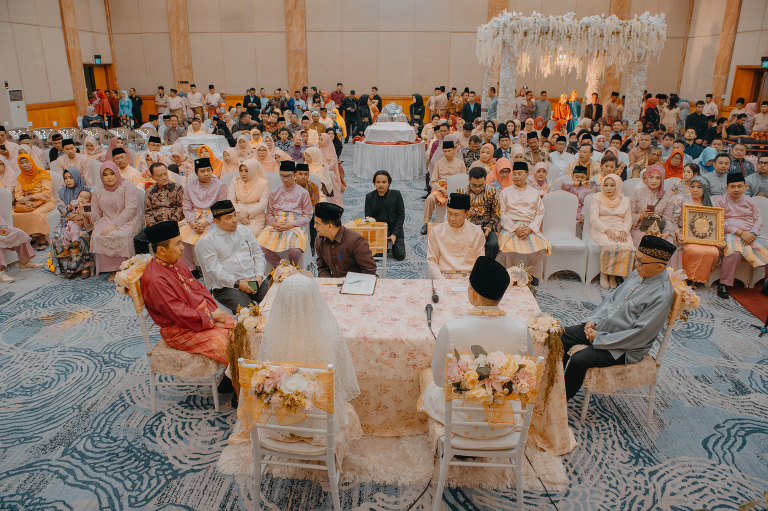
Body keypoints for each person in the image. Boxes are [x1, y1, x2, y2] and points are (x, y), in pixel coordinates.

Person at [417, 255, 530, 438]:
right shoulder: (522, 331)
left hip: (459, 421)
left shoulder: (451, 329)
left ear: (473, 292)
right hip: (505, 421)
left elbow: (439, 380)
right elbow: (525, 376)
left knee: (426, 375)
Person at [255, 272, 362, 454]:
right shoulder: (328, 336)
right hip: (319, 422)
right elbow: (340, 381)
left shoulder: (273, 336)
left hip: (281, 419)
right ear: (314, 299)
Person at [561, 235, 676, 400]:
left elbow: (640, 335)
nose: (636, 264)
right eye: (637, 259)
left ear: (659, 267)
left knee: (579, 360)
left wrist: (599, 338)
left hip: (624, 346)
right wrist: (594, 320)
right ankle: (554, 387)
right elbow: (611, 300)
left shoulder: (662, 295)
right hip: (603, 327)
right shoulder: (638, 274)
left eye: (641, 262)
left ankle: (560, 401)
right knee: (561, 336)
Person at [141, 220, 232, 369]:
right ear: (162, 251)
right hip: (179, 330)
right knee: (229, 344)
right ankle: (237, 378)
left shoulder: (175, 263)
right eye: (177, 244)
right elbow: (179, 314)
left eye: (181, 242)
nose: (182, 248)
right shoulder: (156, 281)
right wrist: (211, 318)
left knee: (242, 330)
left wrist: (212, 313)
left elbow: (200, 290)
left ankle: (234, 376)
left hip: (198, 317)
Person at [195, 199, 269, 312]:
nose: (234, 220)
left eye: (235, 215)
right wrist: (238, 283)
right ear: (217, 222)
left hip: (254, 280)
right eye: (228, 218)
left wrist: (259, 276)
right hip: (228, 287)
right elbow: (214, 271)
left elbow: (258, 255)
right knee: (249, 312)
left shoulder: (245, 231)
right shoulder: (209, 242)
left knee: (275, 301)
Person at [714, 173, 768, 299]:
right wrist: (740, 232)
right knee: (734, 252)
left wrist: (752, 233)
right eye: (732, 187)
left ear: (745, 187)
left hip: (750, 234)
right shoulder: (719, 201)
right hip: (730, 233)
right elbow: (719, 221)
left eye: (739, 186)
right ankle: (724, 284)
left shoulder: (750, 201)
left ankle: (767, 283)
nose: (736, 189)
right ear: (727, 188)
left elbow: (758, 219)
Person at [498, 161, 550, 283]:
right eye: (514, 174)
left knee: (540, 246)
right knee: (508, 246)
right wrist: (514, 228)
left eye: (520, 173)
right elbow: (502, 213)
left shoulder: (534, 193)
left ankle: (533, 276)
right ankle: (509, 275)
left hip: (529, 226)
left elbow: (540, 212)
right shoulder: (505, 192)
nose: (516, 176)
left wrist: (530, 228)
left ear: (527, 175)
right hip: (511, 226)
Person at [90, 161, 143, 280]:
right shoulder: (97, 190)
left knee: (122, 235)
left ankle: (125, 267)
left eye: (112, 173)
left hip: (129, 219)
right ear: (101, 176)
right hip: (107, 219)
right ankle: (111, 268)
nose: (109, 177)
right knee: (98, 234)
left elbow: (131, 209)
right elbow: (96, 212)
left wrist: (114, 225)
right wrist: (89, 218)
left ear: (117, 173)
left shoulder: (127, 186)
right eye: (105, 175)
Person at [257, 160, 313, 267]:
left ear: (294, 175)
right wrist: (274, 223)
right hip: (277, 224)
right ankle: (281, 267)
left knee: (295, 250)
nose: (285, 179)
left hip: (295, 224)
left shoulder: (303, 193)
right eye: (282, 176)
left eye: (289, 176)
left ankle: (292, 268)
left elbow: (308, 215)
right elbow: (268, 213)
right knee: (259, 246)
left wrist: (291, 224)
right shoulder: (274, 192)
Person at [670, 176, 719, 286]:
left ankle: (699, 279)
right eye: (692, 187)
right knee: (692, 250)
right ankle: (687, 278)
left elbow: (715, 224)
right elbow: (673, 220)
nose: (695, 190)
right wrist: (677, 234)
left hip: (706, 237)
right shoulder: (681, 200)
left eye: (699, 187)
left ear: (705, 189)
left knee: (713, 252)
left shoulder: (711, 203)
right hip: (685, 235)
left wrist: (717, 238)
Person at [590, 174, 634, 289]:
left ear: (618, 186)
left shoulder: (625, 200)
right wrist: (606, 230)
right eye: (606, 185)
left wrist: (624, 231)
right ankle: (604, 274)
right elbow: (593, 219)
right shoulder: (597, 198)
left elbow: (628, 218)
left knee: (627, 245)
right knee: (609, 244)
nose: (608, 188)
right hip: (601, 227)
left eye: (612, 185)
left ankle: (613, 274)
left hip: (620, 227)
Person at [426, 193, 485, 279]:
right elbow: (432, 261)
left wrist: (472, 281)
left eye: (456, 215)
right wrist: (441, 281)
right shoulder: (436, 232)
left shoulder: (477, 232)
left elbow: (480, 261)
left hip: (469, 277)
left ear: (467, 214)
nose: (452, 218)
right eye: (449, 213)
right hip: (443, 276)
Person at [313, 202, 376, 278]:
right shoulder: (319, 240)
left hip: (357, 283)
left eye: (317, 223)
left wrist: (351, 284)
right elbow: (322, 268)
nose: (314, 226)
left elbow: (370, 270)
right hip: (334, 283)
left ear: (330, 226)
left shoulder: (356, 241)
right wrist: (330, 282)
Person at [51, 168, 93, 278]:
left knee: (81, 235)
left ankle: (85, 266)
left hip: (83, 220)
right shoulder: (61, 193)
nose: (68, 180)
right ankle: (67, 268)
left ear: (77, 177)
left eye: (71, 177)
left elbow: (92, 208)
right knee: (57, 236)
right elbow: (63, 212)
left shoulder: (87, 191)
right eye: (65, 178)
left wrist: (81, 210)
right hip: (66, 221)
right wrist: (70, 208)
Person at [134, 162, 185, 254]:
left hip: (173, 224)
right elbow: (148, 211)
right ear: (153, 177)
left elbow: (180, 207)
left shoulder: (177, 188)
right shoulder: (150, 191)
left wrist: (172, 221)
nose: (164, 177)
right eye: (160, 175)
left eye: (165, 174)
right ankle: (146, 261)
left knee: (165, 241)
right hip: (156, 225)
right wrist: (152, 224)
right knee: (139, 239)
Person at [455, 166, 501, 259]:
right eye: (474, 185)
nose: (477, 188)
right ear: (469, 180)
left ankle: (483, 265)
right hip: (466, 227)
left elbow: (496, 214)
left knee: (493, 244)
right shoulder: (461, 192)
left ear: (485, 180)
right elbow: (458, 214)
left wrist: (488, 229)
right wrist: (467, 228)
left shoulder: (492, 192)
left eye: (480, 185)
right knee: (461, 243)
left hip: (486, 226)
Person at [179, 158, 228, 246]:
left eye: (208, 170)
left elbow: (220, 208)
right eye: (202, 171)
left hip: (214, 217)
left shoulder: (221, 186)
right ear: (197, 173)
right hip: (193, 217)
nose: (206, 174)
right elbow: (187, 208)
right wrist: (192, 223)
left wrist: (205, 223)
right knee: (181, 236)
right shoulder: (189, 186)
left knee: (208, 240)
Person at [421, 140, 466, 235]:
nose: (447, 153)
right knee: (429, 199)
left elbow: (463, 180)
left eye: (449, 151)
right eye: (445, 151)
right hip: (440, 188)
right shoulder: (438, 163)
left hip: (455, 189)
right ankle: (426, 223)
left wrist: (453, 190)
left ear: (454, 150)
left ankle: (460, 223)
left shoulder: (460, 164)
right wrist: (443, 190)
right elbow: (433, 181)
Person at [12, 154, 55, 250]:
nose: (24, 165)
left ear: (31, 162)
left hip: (46, 201)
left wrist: (31, 197)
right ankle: (28, 236)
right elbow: (18, 195)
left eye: (26, 162)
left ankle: (42, 238)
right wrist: (25, 201)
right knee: (14, 214)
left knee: (37, 213)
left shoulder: (43, 174)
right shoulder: (20, 177)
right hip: (27, 202)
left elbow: (47, 194)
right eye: (21, 163)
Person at [364, 170, 405, 261]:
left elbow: (401, 216)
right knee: (375, 256)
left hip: (394, 231)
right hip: (378, 232)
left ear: (389, 183)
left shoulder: (396, 195)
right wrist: (379, 236)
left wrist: (394, 235)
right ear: (374, 183)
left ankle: (389, 245)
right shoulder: (369, 197)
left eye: (384, 182)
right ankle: (387, 246)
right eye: (378, 182)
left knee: (400, 255)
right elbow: (368, 218)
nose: (381, 185)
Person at [630, 164, 675, 245]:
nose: (654, 181)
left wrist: (667, 232)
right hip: (640, 229)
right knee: (644, 242)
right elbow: (629, 215)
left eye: (658, 178)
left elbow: (667, 219)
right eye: (651, 177)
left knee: (668, 243)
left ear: (662, 179)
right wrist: (641, 216)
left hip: (659, 230)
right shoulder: (637, 193)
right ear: (647, 178)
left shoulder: (667, 196)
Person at [227, 158, 269, 236]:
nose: (243, 174)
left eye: (246, 171)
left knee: (247, 235)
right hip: (236, 215)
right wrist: (239, 216)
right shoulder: (235, 181)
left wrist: (247, 214)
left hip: (255, 217)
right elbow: (231, 200)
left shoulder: (263, 184)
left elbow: (262, 204)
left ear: (253, 170)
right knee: (230, 234)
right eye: (241, 170)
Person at [561, 165, 594, 237]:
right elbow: (563, 184)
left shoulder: (586, 190)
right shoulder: (569, 187)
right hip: (567, 210)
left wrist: (583, 214)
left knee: (583, 220)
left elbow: (585, 204)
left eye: (582, 177)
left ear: (586, 178)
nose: (579, 179)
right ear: (572, 176)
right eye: (577, 177)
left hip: (579, 212)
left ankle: (579, 237)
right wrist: (580, 183)